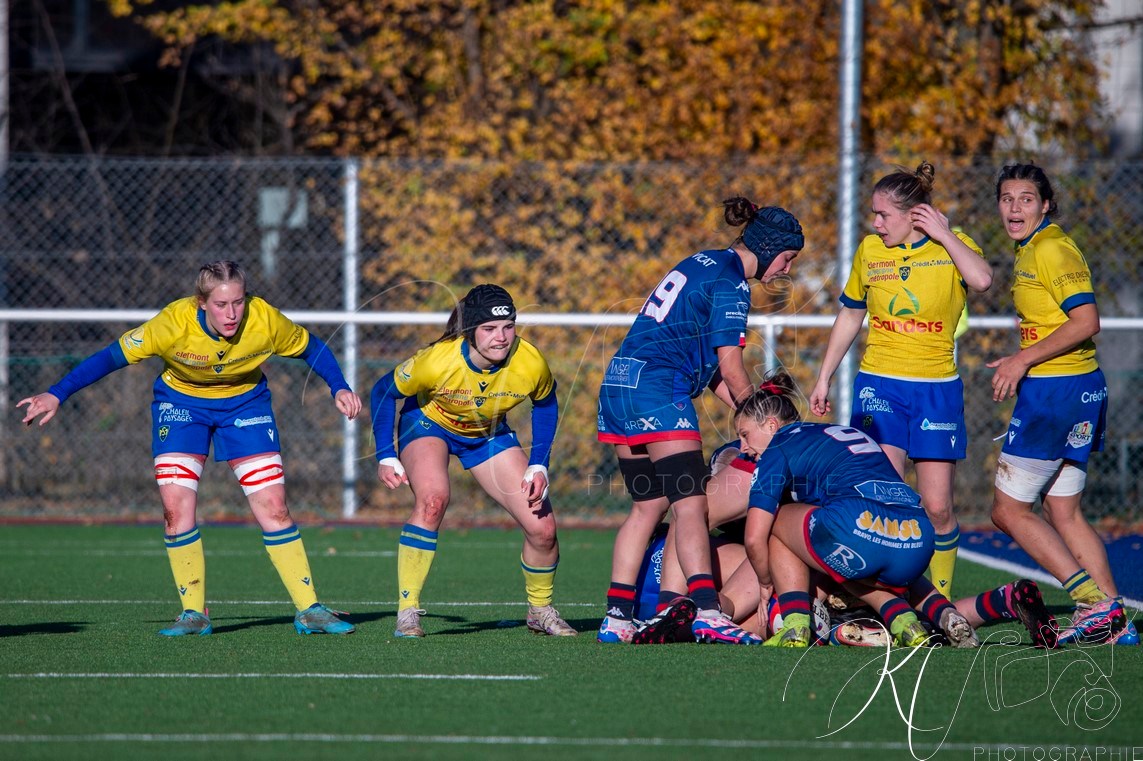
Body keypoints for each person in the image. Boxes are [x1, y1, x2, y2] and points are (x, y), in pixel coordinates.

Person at [19, 261, 360, 636]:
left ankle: (309, 609)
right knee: (175, 509)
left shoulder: (265, 319)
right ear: (201, 302)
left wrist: (339, 386)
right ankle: (194, 613)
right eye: (220, 304)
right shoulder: (171, 324)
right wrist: (57, 393)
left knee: (274, 508)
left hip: (245, 404)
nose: (232, 314)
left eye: (239, 302)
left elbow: (313, 348)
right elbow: (110, 357)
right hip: (182, 406)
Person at [595, 197, 804, 645]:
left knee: (647, 507)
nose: (786, 269)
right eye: (787, 258)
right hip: (657, 387)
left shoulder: (701, 261)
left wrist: (746, 409)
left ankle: (616, 618)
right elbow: (731, 370)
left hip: (619, 383)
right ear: (768, 249)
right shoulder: (734, 283)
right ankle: (708, 611)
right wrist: (768, 420)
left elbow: (711, 375)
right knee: (691, 505)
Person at [809, 161, 993, 599]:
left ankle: (940, 601)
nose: (875, 223)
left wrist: (945, 234)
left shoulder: (952, 245)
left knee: (938, 507)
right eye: (873, 214)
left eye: (883, 215)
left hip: (936, 391)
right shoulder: (870, 252)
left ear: (915, 214)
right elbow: (852, 312)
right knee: (885, 499)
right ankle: (885, 600)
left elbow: (983, 280)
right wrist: (823, 377)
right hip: (880, 385)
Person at [370, 284, 576, 638]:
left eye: (508, 326)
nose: (501, 338)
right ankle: (408, 611)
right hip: (427, 424)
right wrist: (386, 454)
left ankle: (539, 610)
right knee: (434, 499)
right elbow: (382, 392)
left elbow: (546, 403)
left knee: (543, 530)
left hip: (488, 435)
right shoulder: (437, 360)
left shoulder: (530, 361)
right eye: (489, 329)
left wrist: (539, 463)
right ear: (470, 331)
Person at [987, 163, 1135, 646]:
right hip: (1077, 390)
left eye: (1026, 198)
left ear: (1046, 204)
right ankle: (1115, 626)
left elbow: (1087, 319)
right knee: (1062, 511)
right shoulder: (1031, 248)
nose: (1015, 207)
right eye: (1007, 198)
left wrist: (1021, 360)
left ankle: (1094, 603)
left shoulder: (1050, 248)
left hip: (1056, 393)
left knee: (1007, 512)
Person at [734, 373, 978, 648]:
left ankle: (795, 626)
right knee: (856, 564)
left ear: (771, 424)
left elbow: (754, 537)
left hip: (857, 528)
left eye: (745, 435)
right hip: (918, 537)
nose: (744, 448)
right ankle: (915, 621)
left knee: (776, 523)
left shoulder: (778, 446)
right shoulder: (831, 436)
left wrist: (766, 584)